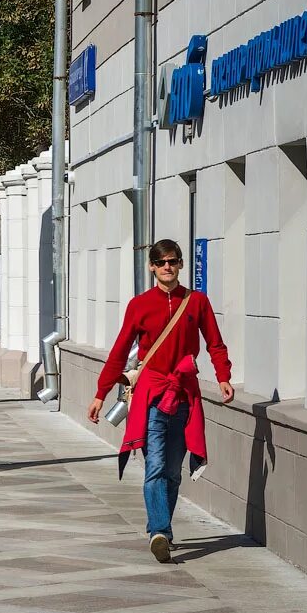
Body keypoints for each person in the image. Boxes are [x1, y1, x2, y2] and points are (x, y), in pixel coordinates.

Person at [87, 240, 233, 563]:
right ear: (152, 267)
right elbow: (120, 351)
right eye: (161, 262)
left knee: (172, 471)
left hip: (183, 395)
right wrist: (101, 392)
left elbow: (215, 343)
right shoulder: (140, 305)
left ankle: (161, 529)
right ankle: (159, 530)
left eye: (173, 261)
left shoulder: (196, 303)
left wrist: (223, 377)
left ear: (180, 265)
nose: (168, 266)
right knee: (154, 466)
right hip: (152, 395)